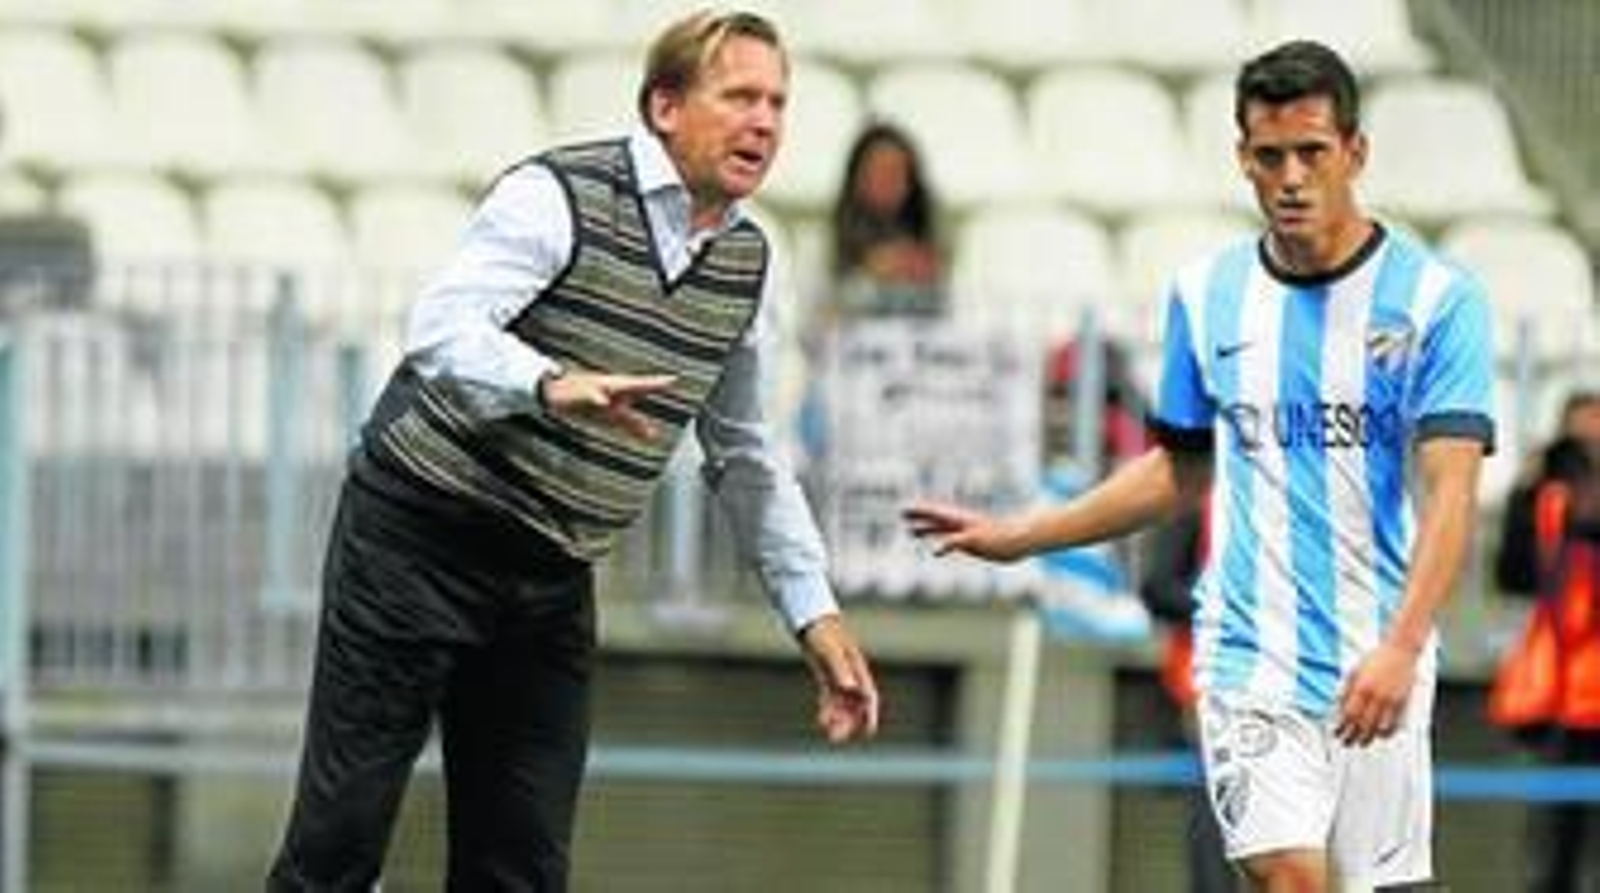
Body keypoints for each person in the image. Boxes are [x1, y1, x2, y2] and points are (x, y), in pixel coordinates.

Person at [266, 10, 881, 890]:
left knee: (521, 867)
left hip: (550, 573)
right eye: (740, 96)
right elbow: (439, 326)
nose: (765, 122)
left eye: (779, 102)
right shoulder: (558, 193)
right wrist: (550, 380)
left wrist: (813, 613)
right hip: (416, 534)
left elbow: (745, 454)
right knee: (339, 843)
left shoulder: (751, 264)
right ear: (664, 106)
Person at [905, 39, 1495, 891]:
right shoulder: (1204, 295)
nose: (1291, 177)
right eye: (1270, 156)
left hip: (1380, 651)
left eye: (1312, 153)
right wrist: (1025, 535)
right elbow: (1180, 469)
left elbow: (1452, 490)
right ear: (1242, 159)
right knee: (1291, 878)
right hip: (1245, 652)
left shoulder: (1440, 301)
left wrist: (1403, 645)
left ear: (1355, 154)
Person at [1491, 389, 1600, 892]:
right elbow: (1513, 577)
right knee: (1554, 841)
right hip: (1562, 700)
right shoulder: (1547, 505)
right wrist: (1525, 494)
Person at [825, 121, 945, 321]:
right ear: (856, 177)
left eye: (898, 173)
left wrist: (930, 281)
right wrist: (867, 278)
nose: (889, 182)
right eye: (878, 171)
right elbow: (821, 323)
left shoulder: (928, 241)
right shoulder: (822, 243)